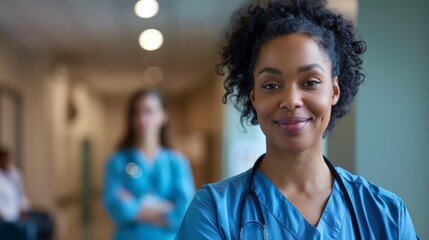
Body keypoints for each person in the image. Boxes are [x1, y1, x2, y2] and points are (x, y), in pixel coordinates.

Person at [175, 1, 419, 239]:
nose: (291, 100)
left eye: (310, 82)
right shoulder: (213, 211)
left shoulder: (386, 214)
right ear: (254, 98)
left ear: (334, 91)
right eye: (271, 85)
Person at [102, 88, 195, 240]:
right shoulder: (117, 161)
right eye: (136, 113)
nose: (141, 119)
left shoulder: (177, 162)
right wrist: (165, 207)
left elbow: (183, 211)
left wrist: (133, 205)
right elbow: (115, 208)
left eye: (148, 111)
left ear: (164, 116)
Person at [0, 147, 54, 240]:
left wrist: (24, 208)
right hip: (5, 216)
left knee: (45, 219)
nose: (5, 161)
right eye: (2, 159)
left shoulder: (15, 173)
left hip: (18, 213)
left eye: (7, 158)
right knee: (26, 229)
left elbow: (20, 194)